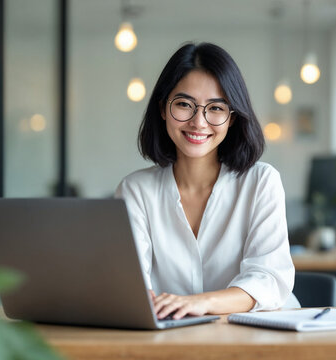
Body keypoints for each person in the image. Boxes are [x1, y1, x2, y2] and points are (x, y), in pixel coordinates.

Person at [116, 42, 298, 320]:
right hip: (171, 340)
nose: (199, 122)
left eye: (215, 108)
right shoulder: (136, 190)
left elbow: (269, 280)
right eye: (184, 105)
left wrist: (201, 303)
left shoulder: (261, 182)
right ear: (163, 109)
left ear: (232, 118)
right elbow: (130, 286)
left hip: (256, 337)